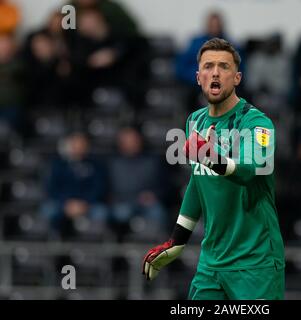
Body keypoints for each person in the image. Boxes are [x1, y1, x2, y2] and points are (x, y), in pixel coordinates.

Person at [142, 38, 285, 300]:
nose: (215, 72)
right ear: (198, 77)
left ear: (237, 77)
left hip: (256, 262)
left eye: (224, 66)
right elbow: (198, 182)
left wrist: (211, 157)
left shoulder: (258, 124)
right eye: (208, 66)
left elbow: (250, 169)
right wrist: (178, 240)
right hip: (212, 263)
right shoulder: (194, 121)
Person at [41, 131, 108, 237]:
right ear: (70, 145)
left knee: (101, 212)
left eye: (82, 144)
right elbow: (52, 188)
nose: (79, 146)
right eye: (76, 143)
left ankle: (94, 243)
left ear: (87, 146)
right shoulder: (58, 164)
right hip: (63, 203)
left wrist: (84, 203)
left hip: (88, 204)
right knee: (48, 210)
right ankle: (53, 241)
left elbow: (99, 188)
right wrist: (66, 203)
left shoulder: (96, 166)